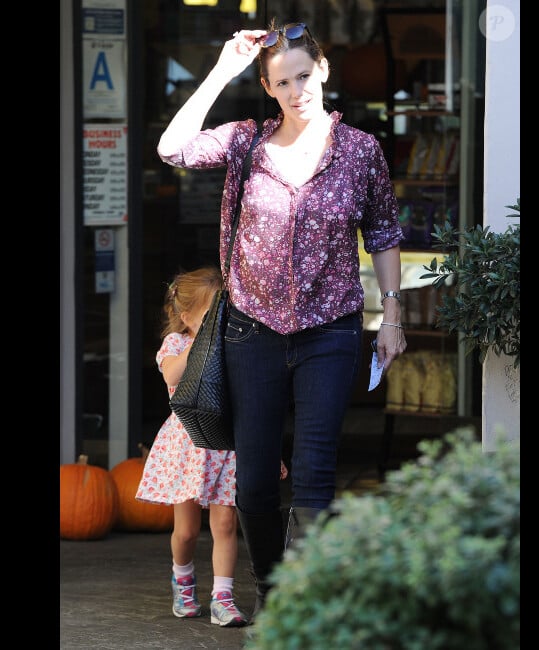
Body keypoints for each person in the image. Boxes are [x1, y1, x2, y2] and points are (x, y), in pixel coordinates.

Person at [156, 20, 407, 622]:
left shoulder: (360, 152)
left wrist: (393, 313)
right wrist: (223, 69)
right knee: (257, 482)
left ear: (323, 70)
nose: (297, 91)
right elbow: (172, 148)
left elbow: (385, 235)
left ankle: (304, 601)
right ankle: (271, 588)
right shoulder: (246, 143)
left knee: (317, 472)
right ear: (268, 88)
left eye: (303, 76)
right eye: (281, 82)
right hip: (252, 331)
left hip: (331, 329)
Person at [135, 267, 279, 628]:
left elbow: (249, 402)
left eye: (224, 313)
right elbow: (171, 376)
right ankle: (182, 581)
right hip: (188, 443)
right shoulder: (177, 345)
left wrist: (267, 451)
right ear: (186, 318)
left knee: (226, 523)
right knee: (185, 531)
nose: (220, 322)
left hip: (225, 443)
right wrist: (201, 341)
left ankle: (223, 597)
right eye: (211, 315)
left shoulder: (234, 349)